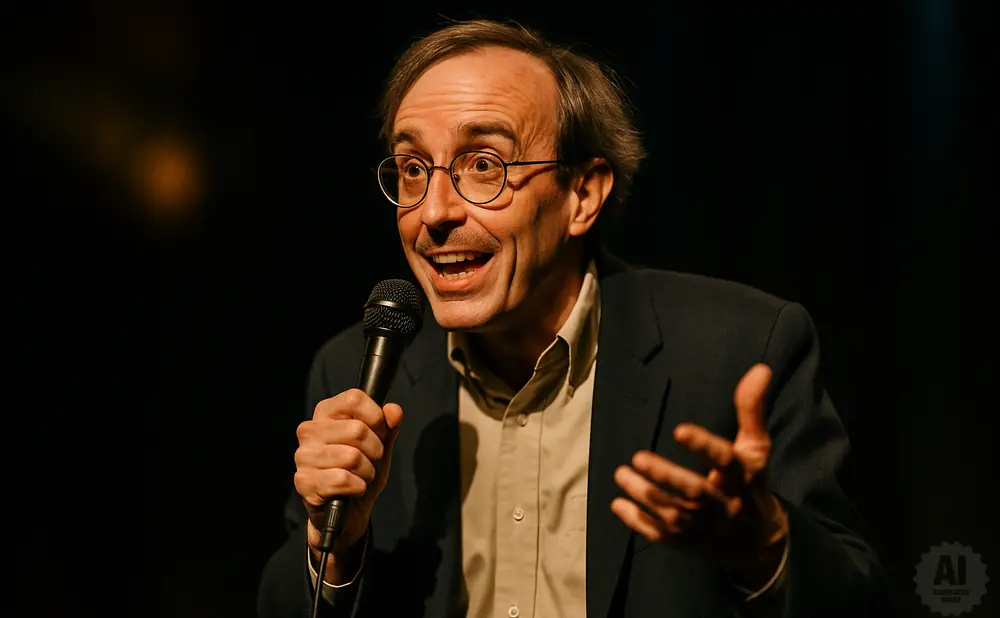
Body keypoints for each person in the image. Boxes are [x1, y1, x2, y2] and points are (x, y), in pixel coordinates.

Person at [257, 19, 888, 618]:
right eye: (415, 169)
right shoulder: (358, 374)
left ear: (582, 195)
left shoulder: (741, 349)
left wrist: (766, 545)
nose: (434, 211)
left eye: (484, 165)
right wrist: (332, 546)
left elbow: (862, 603)